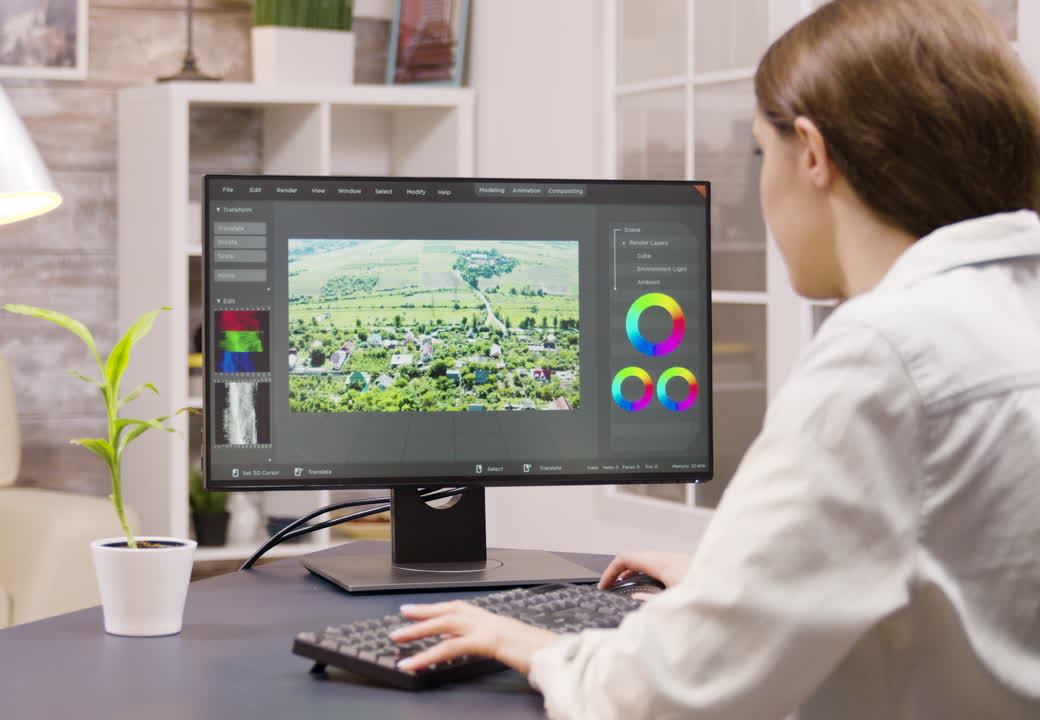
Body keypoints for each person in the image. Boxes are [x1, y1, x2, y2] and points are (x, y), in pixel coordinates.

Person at [389, 0, 1040, 717]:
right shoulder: (1009, 311)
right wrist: (739, 582)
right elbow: (965, 572)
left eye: (762, 154)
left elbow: (672, 695)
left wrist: (536, 647)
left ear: (814, 154)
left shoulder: (885, 355)